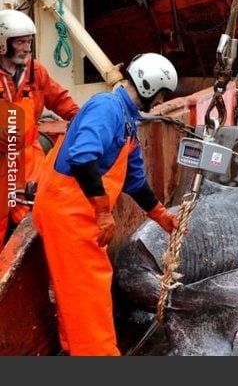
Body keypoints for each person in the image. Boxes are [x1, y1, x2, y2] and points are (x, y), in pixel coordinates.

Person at [32, 52, 180, 356]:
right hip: (68, 213)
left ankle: (75, 348)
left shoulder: (128, 121)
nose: (162, 98)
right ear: (151, 88)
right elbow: (83, 156)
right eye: (163, 93)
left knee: (75, 290)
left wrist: (161, 215)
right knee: (89, 291)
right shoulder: (107, 108)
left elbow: (135, 180)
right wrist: (102, 214)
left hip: (79, 214)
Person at [0, 9, 79, 248]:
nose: (26, 48)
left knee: (36, 221)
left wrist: (85, 122)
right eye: (20, 42)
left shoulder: (36, 72)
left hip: (30, 158)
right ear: (3, 44)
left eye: (29, 42)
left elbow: (62, 101)